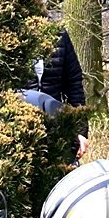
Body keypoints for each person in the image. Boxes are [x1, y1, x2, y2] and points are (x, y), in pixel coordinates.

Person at [32, 30, 90, 160]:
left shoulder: (59, 35)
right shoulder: (6, 31)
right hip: (15, 125)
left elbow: (74, 84)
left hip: (54, 127)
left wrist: (80, 131)